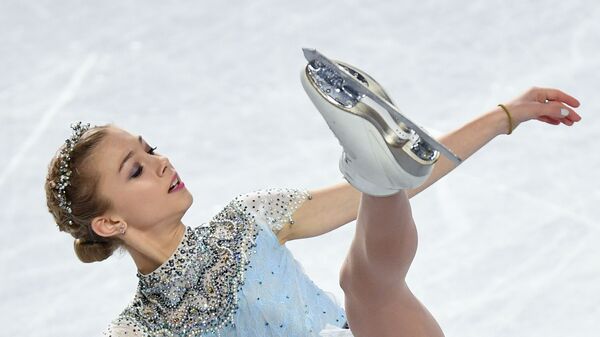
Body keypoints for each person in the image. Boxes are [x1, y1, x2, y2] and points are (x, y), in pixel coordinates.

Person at [45, 70, 581, 336]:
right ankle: (377, 172)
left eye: (151, 149)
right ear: (109, 220)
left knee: (364, 281)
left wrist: (505, 116)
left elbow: (411, 184)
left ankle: (375, 170)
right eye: (136, 169)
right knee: (365, 275)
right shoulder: (138, 332)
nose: (161, 162)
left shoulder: (247, 220)